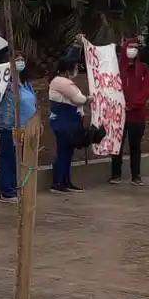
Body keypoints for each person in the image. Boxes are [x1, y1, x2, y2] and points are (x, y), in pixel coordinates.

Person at [110, 37, 149, 186]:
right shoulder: (115, 68)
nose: (132, 50)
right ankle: (115, 174)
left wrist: (133, 104)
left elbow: (147, 89)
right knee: (117, 145)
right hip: (118, 114)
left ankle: (136, 176)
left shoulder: (143, 69)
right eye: (130, 47)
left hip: (137, 114)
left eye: (135, 47)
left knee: (135, 145)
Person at [0, 55, 37, 205]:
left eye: (21, 59)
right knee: (8, 158)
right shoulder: (6, 84)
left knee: (19, 159)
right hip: (10, 127)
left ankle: (16, 187)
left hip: (26, 127)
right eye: (16, 59)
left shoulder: (26, 84)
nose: (20, 62)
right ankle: (7, 191)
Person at [48, 55, 89, 194]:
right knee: (63, 152)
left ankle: (65, 181)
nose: (77, 70)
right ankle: (58, 182)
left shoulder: (62, 81)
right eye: (75, 67)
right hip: (64, 122)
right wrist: (89, 99)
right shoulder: (62, 82)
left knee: (67, 152)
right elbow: (79, 98)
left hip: (69, 121)